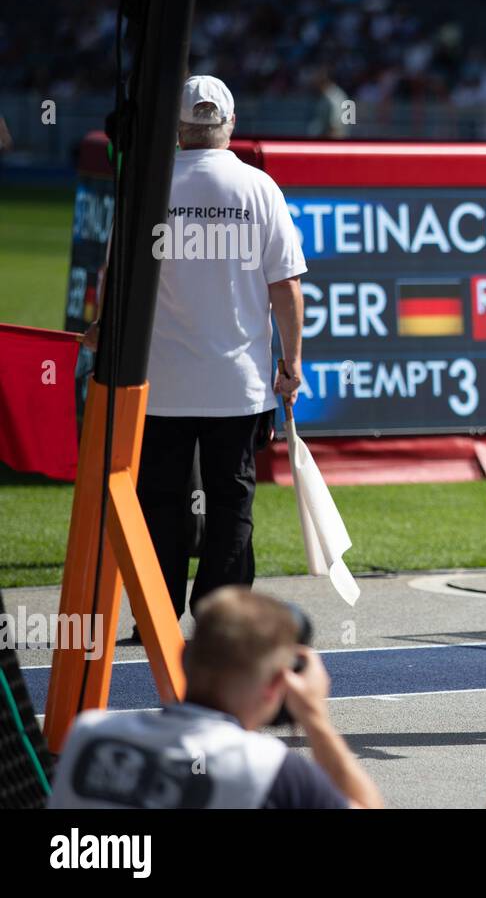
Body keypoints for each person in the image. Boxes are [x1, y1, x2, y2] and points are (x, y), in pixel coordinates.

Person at [93, 75, 306, 621]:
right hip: (237, 383)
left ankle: (157, 616)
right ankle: (221, 616)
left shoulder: (149, 187)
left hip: (160, 382)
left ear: (178, 130)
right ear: (229, 125)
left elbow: (116, 279)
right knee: (232, 502)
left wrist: (99, 331)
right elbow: (285, 286)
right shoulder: (258, 188)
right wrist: (291, 362)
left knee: (159, 504)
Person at [49, 588, 383, 808]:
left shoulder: (89, 733)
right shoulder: (270, 770)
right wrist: (314, 717)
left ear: (183, 659)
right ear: (279, 684)